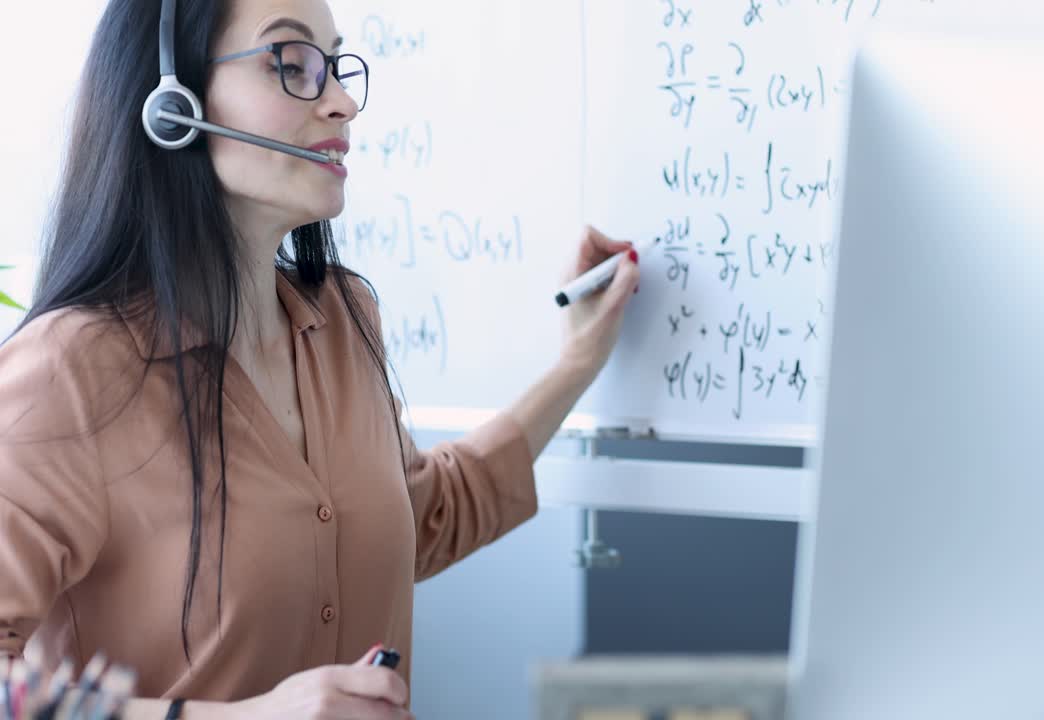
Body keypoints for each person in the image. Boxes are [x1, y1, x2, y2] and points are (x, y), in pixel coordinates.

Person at [0, 0, 640, 717]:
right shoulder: (67, 374)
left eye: (335, 68)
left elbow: (421, 516)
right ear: (171, 102)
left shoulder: (343, 320)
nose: (341, 103)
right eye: (292, 65)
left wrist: (579, 361)